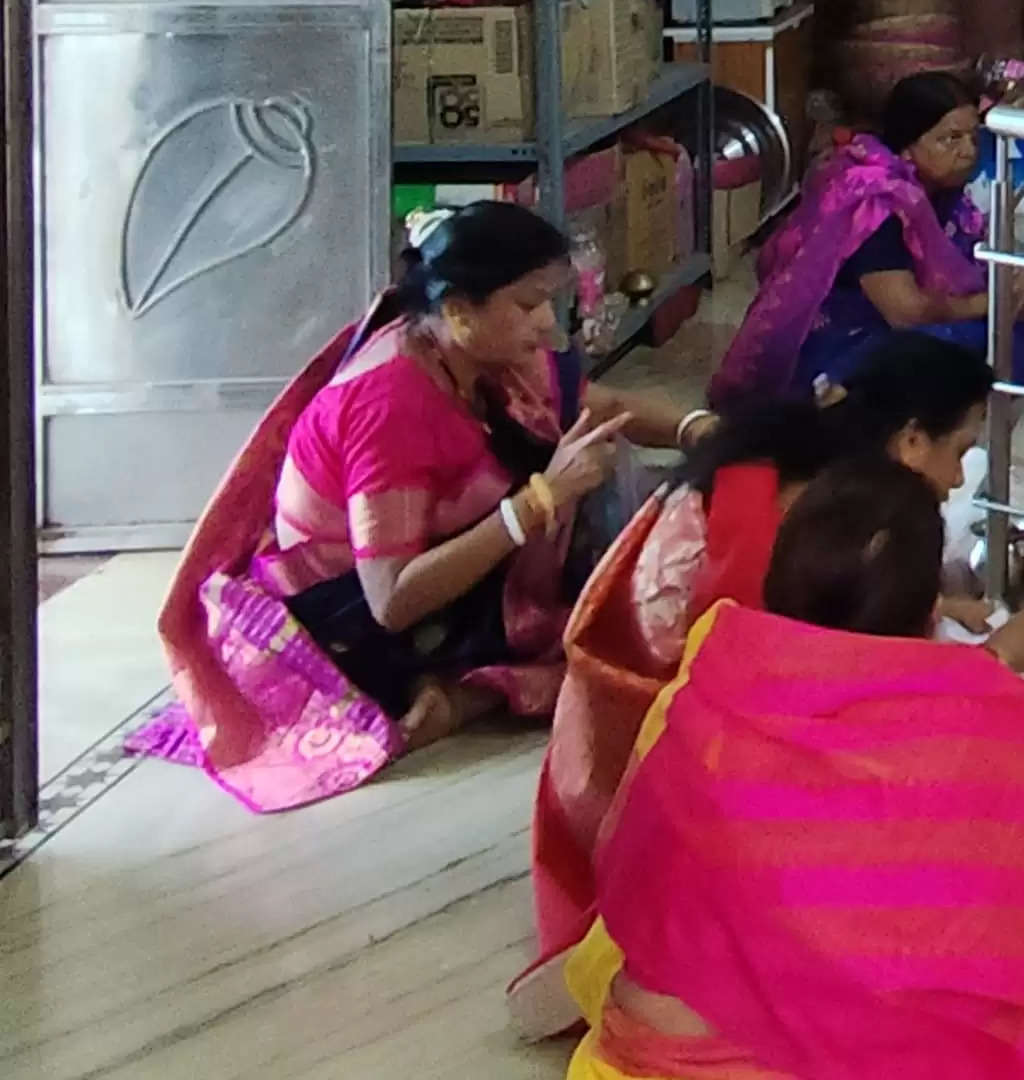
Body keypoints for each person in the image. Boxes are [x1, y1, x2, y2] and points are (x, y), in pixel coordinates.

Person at [566, 459, 1024, 1080]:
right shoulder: (976, 720)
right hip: (803, 1045)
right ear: (929, 612)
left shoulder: (707, 674)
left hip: (647, 1047)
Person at [135, 202, 694, 811]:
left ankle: (462, 686)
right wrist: (539, 501)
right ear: (459, 310)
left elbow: (593, 408)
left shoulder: (462, 346)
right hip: (348, 615)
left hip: (435, 564)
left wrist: (696, 427)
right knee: (606, 603)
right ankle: (451, 691)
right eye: (529, 305)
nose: (547, 327)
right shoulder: (392, 405)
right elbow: (391, 598)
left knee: (630, 503)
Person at [520, 335, 1010, 1027]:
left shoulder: (793, 465)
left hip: (620, 736)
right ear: (908, 440)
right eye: (959, 450)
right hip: (656, 758)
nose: (958, 479)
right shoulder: (815, 515)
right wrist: (988, 665)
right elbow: (806, 683)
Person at [712, 71, 1024, 403]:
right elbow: (905, 312)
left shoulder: (939, 190)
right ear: (907, 147)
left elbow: (960, 264)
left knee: (1013, 329)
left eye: (973, 137)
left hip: (888, 319)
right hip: (840, 335)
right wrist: (995, 302)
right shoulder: (877, 203)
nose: (968, 151)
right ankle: (838, 393)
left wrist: (1014, 292)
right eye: (951, 138)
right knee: (954, 341)